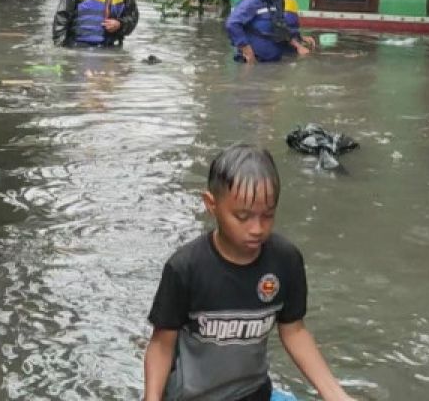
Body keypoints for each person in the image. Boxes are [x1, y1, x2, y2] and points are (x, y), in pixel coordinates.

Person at [143, 145, 354, 401]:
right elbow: (162, 344)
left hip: (254, 393)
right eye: (242, 216)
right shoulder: (185, 268)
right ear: (211, 204)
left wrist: (336, 395)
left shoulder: (285, 260)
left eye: (267, 215)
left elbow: (294, 331)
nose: (257, 229)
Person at [225, 0, 309, 63]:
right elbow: (232, 24)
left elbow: (280, 26)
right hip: (253, 63)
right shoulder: (251, 2)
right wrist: (247, 51)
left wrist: (298, 45)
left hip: (273, 62)